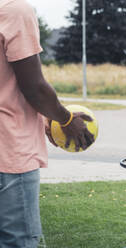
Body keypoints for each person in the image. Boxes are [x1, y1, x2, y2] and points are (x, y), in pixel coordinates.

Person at [0, 0, 94, 247]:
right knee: (18, 241)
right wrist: (66, 119)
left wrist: (44, 121)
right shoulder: (14, 10)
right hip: (10, 155)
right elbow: (34, 87)